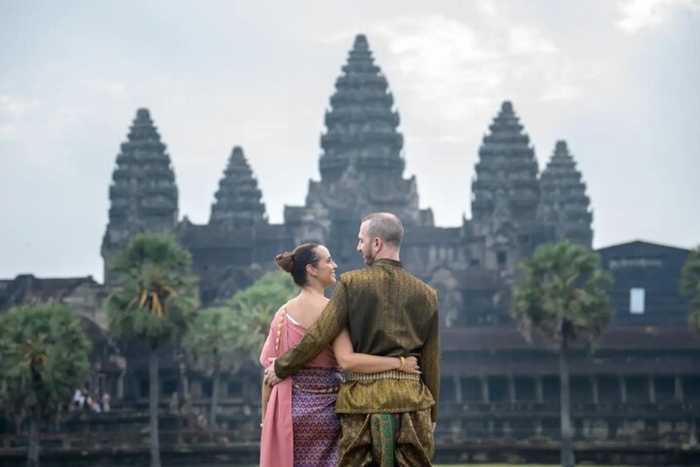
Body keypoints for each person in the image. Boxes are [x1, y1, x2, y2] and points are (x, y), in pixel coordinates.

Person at [265, 212, 441, 466]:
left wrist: (281, 366)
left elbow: (318, 335)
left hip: (362, 403)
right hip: (411, 403)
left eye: (361, 240)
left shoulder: (351, 284)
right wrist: (432, 413)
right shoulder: (427, 294)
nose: (358, 247)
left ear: (377, 243)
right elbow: (432, 360)